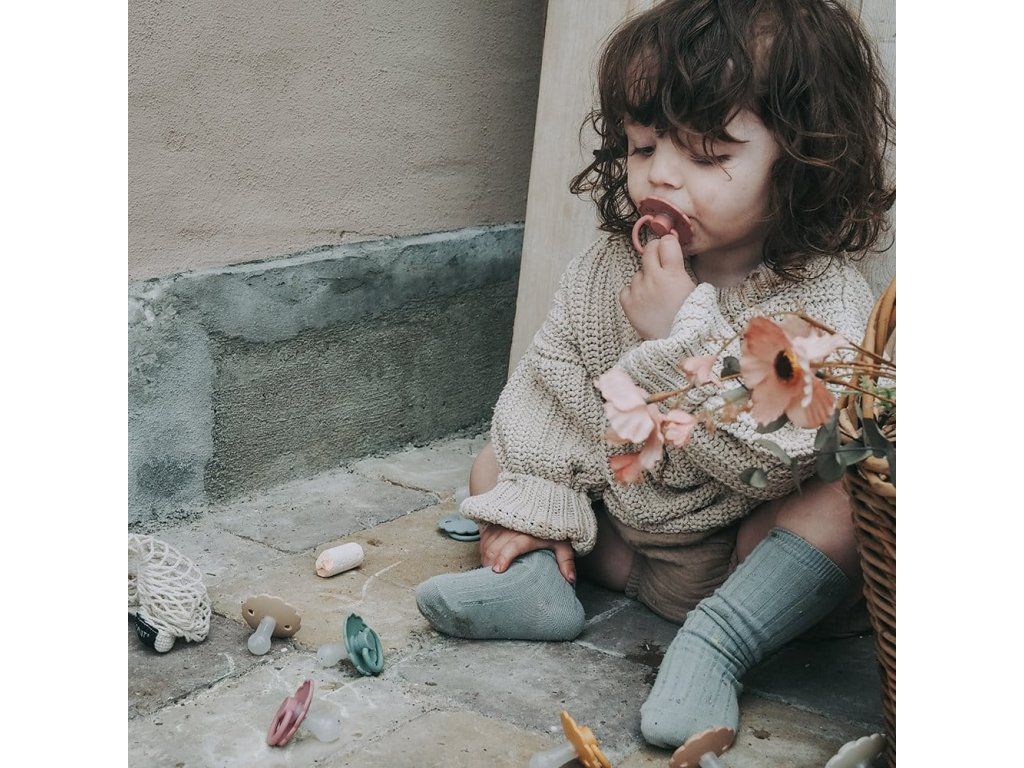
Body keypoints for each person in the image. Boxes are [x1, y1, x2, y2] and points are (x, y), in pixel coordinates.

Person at [416, 0, 893, 752]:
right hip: (618, 540)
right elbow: (554, 391)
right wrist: (540, 503)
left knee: (840, 502)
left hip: (738, 555)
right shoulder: (611, 268)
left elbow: (777, 457)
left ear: (803, 163)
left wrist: (681, 332)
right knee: (497, 456)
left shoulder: (822, 299)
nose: (661, 174)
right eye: (642, 146)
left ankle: (718, 644)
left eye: (706, 154)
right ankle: (538, 580)